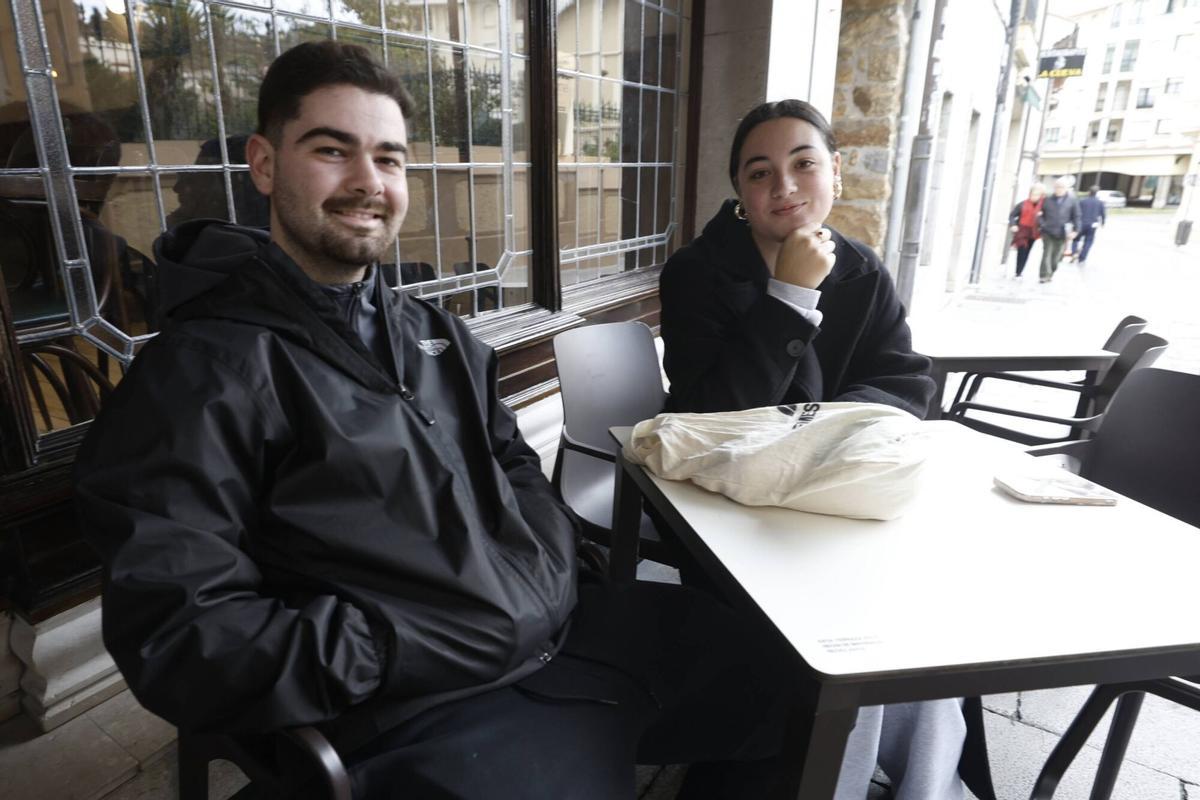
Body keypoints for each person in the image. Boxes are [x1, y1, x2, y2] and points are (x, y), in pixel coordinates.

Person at [73, 41, 802, 799]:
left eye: (389, 159)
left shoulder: (437, 337)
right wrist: (392, 643)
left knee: (785, 686)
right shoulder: (202, 372)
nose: (367, 182)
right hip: (412, 707)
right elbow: (182, 636)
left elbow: (519, 468)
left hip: (561, 630)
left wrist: (541, 577)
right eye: (332, 150)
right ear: (264, 164)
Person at [659, 99, 994, 800]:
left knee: (928, 617)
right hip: (731, 513)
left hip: (834, 500)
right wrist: (788, 295)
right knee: (860, 630)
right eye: (760, 173)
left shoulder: (862, 269)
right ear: (741, 197)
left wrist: (832, 432)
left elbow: (905, 377)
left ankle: (922, 781)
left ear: (835, 172)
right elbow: (713, 412)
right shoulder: (697, 273)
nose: (784, 187)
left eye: (803, 164)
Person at [1036, 177, 1080, 284]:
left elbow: (1077, 216)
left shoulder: (1072, 201)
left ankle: (1051, 272)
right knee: (1047, 253)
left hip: (1062, 233)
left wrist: (1076, 230)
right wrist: (1042, 224)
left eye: (1061, 187)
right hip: (1048, 231)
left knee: (1056, 257)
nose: (1058, 189)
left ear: (1066, 188)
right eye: (1056, 187)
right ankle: (1044, 275)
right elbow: (1039, 214)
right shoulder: (1047, 199)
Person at [1008, 183, 1045, 278]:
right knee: (1022, 250)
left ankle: (1020, 270)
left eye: (1037, 194)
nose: (1034, 196)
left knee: (1027, 251)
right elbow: (1012, 215)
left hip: (1033, 232)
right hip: (1022, 231)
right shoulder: (1022, 204)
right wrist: (1013, 225)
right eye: (1033, 194)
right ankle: (1018, 272)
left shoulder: (1043, 206)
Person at [1067, 185, 1106, 265]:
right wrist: (1103, 223)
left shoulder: (1082, 201)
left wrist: (1072, 221)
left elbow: (1076, 212)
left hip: (1081, 223)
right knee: (1088, 241)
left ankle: (1074, 253)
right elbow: (1103, 214)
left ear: (1089, 192)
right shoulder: (1100, 203)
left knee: (1076, 239)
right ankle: (1082, 257)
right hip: (1092, 225)